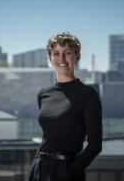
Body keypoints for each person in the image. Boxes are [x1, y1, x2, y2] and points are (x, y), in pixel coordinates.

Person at [28, 32, 102, 181]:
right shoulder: (44, 93)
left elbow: (95, 145)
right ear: (50, 58)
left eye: (67, 53)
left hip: (66, 169)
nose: (61, 59)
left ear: (77, 57)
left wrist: (70, 173)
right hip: (38, 167)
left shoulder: (88, 94)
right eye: (56, 53)